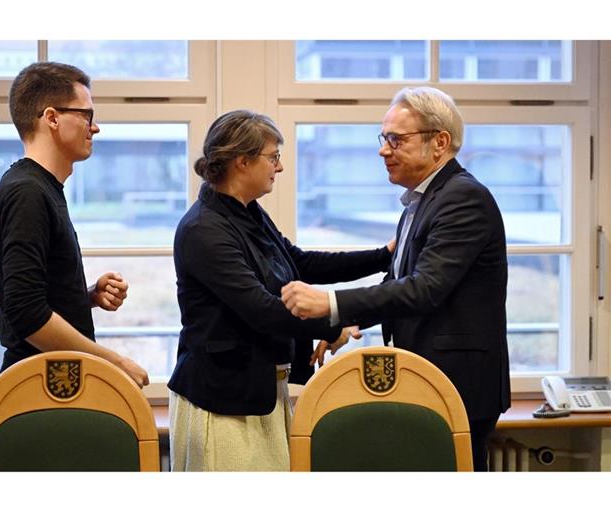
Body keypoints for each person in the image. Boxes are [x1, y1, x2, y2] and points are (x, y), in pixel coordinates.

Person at [281, 86, 510, 471]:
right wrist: (346, 321)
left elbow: (426, 289)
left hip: (458, 385)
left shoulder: (463, 199)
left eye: (395, 139)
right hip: (428, 381)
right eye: (383, 138)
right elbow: (399, 280)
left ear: (439, 142)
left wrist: (332, 303)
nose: (383, 150)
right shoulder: (420, 201)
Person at [167, 109, 394, 471]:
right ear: (242, 161)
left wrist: (383, 256)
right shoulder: (203, 229)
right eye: (273, 157)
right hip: (222, 401)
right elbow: (262, 310)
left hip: (259, 394)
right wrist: (336, 323)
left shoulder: (247, 212)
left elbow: (301, 264)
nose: (280, 167)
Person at [0, 62, 149, 387]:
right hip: (40, 388)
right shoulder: (28, 193)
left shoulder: (38, 187)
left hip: (49, 383)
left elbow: (35, 296)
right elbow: (26, 314)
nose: (95, 127)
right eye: (86, 115)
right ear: (52, 117)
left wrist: (83, 297)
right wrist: (113, 362)